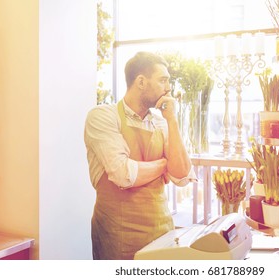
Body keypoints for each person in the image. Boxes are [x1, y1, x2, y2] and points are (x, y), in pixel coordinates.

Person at [84, 51, 197, 260]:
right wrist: (164, 164)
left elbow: (181, 176)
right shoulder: (103, 116)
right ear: (141, 82)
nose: (168, 88)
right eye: (163, 80)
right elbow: (124, 174)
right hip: (117, 236)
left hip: (161, 231)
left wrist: (172, 119)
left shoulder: (162, 122)